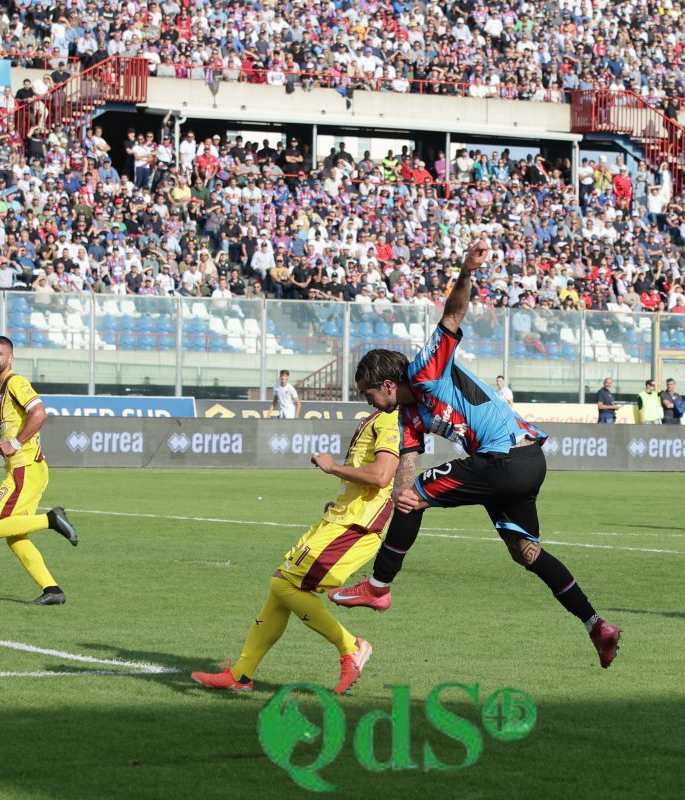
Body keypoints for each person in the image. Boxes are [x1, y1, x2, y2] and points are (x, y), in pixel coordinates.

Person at [329, 240, 621, 670]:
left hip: (505, 459)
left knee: (415, 495)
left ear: (388, 384)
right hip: (522, 464)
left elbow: (452, 314)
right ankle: (595, 624)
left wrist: (466, 271)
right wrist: (398, 493)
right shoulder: (408, 415)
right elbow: (406, 468)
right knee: (525, 551)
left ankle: (378, 586)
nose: (369, 403)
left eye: (369, 394)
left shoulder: (424, 371)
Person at [191, 409, 399, 695]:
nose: (365, 396)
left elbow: (380, 476)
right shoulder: (378, 416)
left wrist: (332, 467)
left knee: (284, 584)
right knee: (280, 586)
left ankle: (351, 647)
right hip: (341, 518)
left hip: (356, 525)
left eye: (368, 390)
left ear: (386, 383)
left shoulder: (390, 416)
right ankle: (240, 675)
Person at [0, 336, 79, 605]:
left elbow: (40, 413)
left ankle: (51, 520)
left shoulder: (16, 383)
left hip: (25, 469)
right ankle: (52, 590)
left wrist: (17, 442)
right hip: (27, 470)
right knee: (14, 535)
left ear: (10, 358)